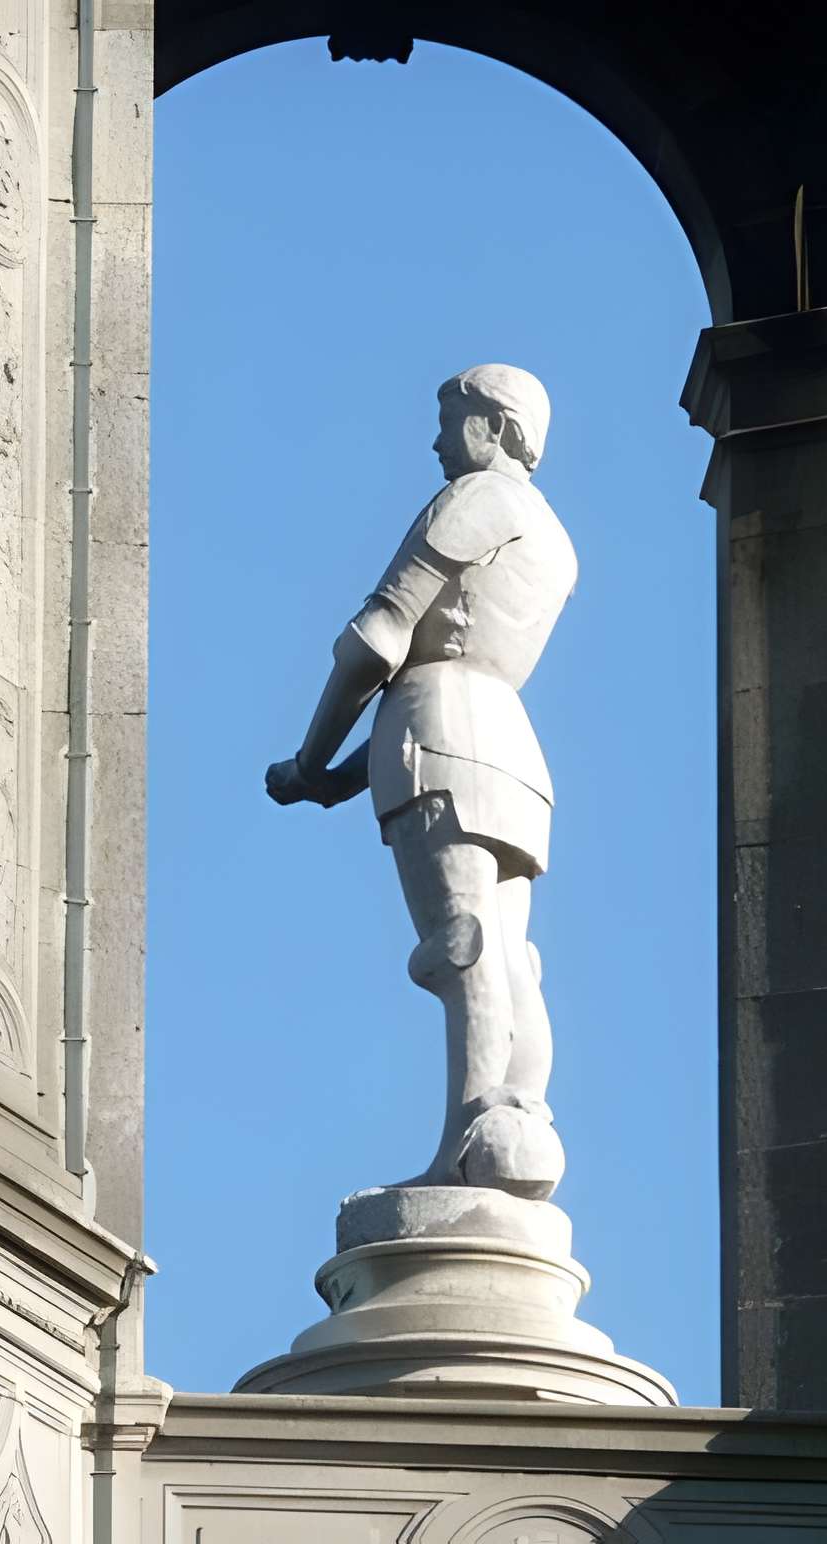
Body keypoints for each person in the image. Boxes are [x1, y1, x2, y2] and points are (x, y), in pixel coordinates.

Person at [266, 364, 577, 1199]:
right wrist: (338, 780)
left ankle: (465, 1148)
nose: (439, 440)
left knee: (463, 947)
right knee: (511, 954)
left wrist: (307, 757)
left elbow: (379, 639)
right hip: (508, 743)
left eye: (454, 420)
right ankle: (520, 1123)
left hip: (437, 735)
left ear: (500, 427)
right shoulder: (556, 538)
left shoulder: (479, 499)